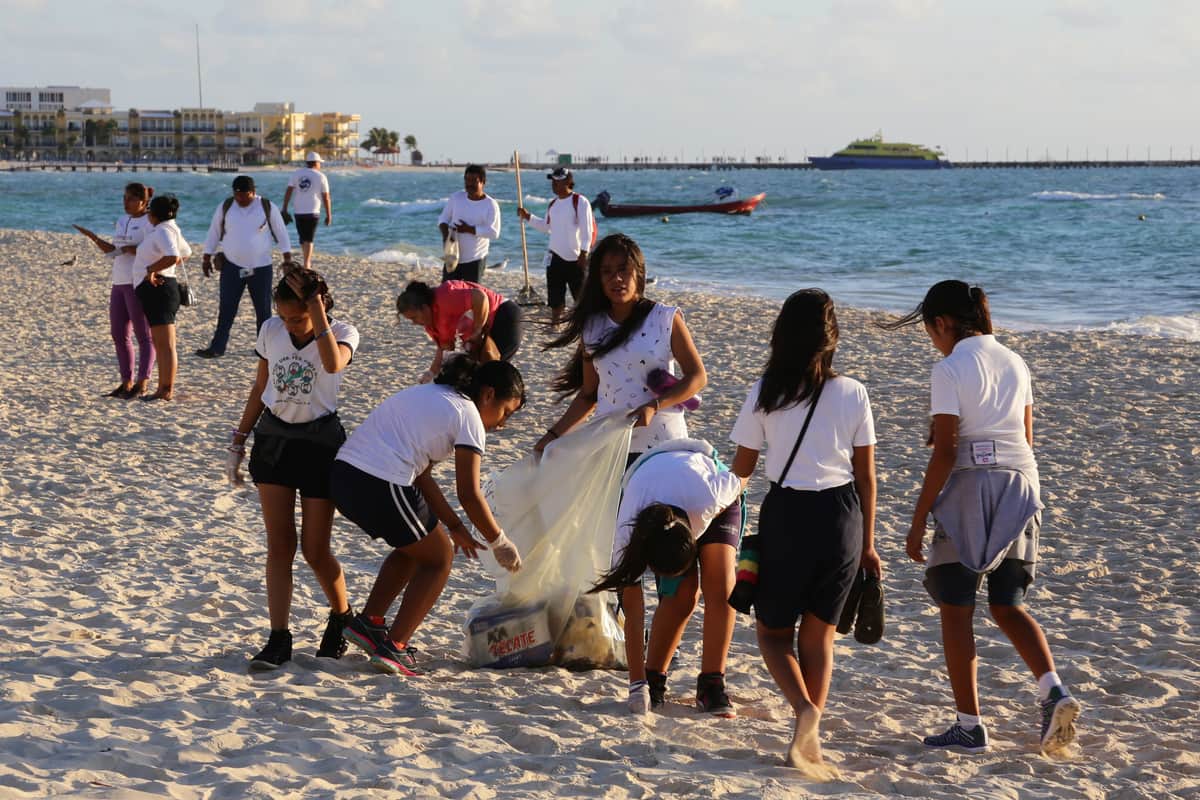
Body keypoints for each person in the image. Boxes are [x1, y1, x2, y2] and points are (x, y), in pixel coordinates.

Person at [882, 280, 1081, 755]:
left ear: (942, 323)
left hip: (973, 487)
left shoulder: (949, 368)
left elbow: (947, 450)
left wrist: (918, 515)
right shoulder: (1016, 360)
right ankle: (1053, 689)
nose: (932, 339)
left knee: (956, 608)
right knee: (1007, 603)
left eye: (930, 330)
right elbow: (1026, 437)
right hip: (1022, 485)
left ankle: (969, 724)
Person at [728, 289, 878, 774]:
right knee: (820, 640)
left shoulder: (765, 391)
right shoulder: (853, 391)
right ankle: (809, 738)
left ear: (782, 336)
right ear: (830, 338)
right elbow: (867, 476)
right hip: (842, 518)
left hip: (788, 514)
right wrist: (869, 544)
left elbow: (743, 468)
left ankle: (804, 711)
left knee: (773, 635)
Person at [330, 357, 525, 676]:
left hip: (345, 477)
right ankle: (395, 647)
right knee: (440, 557)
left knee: (419, 545)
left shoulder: (435, 395)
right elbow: (469, 493)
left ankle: (369, 624)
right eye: (505, 413)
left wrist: (455, 525)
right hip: (378, 480)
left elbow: (423, 477)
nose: (502, 423)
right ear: (488, 394)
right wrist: (499, 541)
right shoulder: (469, 415)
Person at [225, 269, 359, 670]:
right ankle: (278, 636)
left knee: (316, 550)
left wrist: (316, 311)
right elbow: (260, 385)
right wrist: (239, 438)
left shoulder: (344, 332)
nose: (288, 325)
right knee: (280, 546)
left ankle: (341, 618)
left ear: (318, 306)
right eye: (283, 317)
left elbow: (333, 365)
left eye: (296, 318)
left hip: (321, 444)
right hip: (274, 442)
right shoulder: (270, 330)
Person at [590, 440, 745, 717]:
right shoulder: (627, 535)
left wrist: (713, 522)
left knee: (720, 587)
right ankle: (653, 679)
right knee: (682, 595)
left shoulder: (710, 497)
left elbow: (740, 478)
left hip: (710, 490)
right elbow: (634, 616)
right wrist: (637, 685)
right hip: (652, 479)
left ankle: (712, 683)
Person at [535, 233, 705, 463]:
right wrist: (552, 435)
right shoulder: (592, 326)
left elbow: (697, 377)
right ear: (598, 279)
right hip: (611, 446)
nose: (616, 278)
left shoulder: (665, 318)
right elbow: (588, 396)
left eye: (624, 270)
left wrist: (654, 406)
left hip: (662, 445)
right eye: (607, 272)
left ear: (639, 273)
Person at [196, 175, 294, 358]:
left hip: (261, 267)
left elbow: (281, 232)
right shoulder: (226, 207)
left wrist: (287, 257)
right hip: (232, 266)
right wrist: (206, 257)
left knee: (263, 309)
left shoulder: (266, 206)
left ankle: (264, 348)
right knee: (227, 308)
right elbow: (214, 231)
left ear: (253, 192)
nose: (240, 198)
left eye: (244, 195)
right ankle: (217, 347)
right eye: (237, 194)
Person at [74, 182, 156, 398]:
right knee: (119, 334)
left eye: (130, 198)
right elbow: (113, 252)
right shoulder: (122, 221)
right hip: (118, 281)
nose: (125, 202)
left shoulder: (150, 222)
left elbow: (158, 251)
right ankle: (126, 382)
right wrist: (93, 238)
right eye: (124, 197)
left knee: (143, 336)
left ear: (143, 201)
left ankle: (143, 382)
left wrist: (135, 249)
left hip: (138, 282)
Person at [396, 279, 523, 382]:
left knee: (491, 374)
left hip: (503, 314)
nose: (414, 323)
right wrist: (431, 373)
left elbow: (480, 297)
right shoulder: (429, 323)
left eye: (414, 317)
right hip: (484, 330)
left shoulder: (445, 297)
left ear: (424, 308)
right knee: (477, 375)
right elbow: (444, 348)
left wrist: (478, 330)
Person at [132, 194, 192, 402]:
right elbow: (187, 252)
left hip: (160, 290)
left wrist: (152, 270)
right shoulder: (171, 229)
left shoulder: (164, 231)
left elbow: (174, 256)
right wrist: (161, 269)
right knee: (163, 343)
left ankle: (165, 389)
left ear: (153, 214)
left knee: (165, 345)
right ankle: (164, 388)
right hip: (161, 288)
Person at [517, 167, 595, 324]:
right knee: (555, 295)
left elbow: (588, 229)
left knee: (580, 296)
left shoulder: (579, 201)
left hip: (575, 257)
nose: (554, 184)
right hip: (555, 256)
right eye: (553, 181)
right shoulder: (553, 204)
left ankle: (584, 325)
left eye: (557, 181)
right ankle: (555, 323)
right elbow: (547, 227)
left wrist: (584, 253)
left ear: (567, 182)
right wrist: (528, 217)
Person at [437, 164, 500, 283]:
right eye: (467, 180)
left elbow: (494, 232)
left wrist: (469, 229)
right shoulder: (456, 198)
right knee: (447, 292)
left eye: (473, 181)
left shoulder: (491, 205)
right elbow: (443, 219)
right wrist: (446, 236)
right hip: (453, 257)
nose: (469, 184)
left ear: (483, 182)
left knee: (471, 296)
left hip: (475, 259)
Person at [282, 151, 332, 271]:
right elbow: (326, 197)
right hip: (313, 211)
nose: (320, 165)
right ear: (316, 163)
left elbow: (288, 191)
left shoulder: (296, 174)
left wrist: (284, 207)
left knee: (303, 237)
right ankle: (307, 263)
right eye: (320, 163)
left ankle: (306, 260)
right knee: (309, 238)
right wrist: (329, 214)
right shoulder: (321, 176)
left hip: (298, 211)